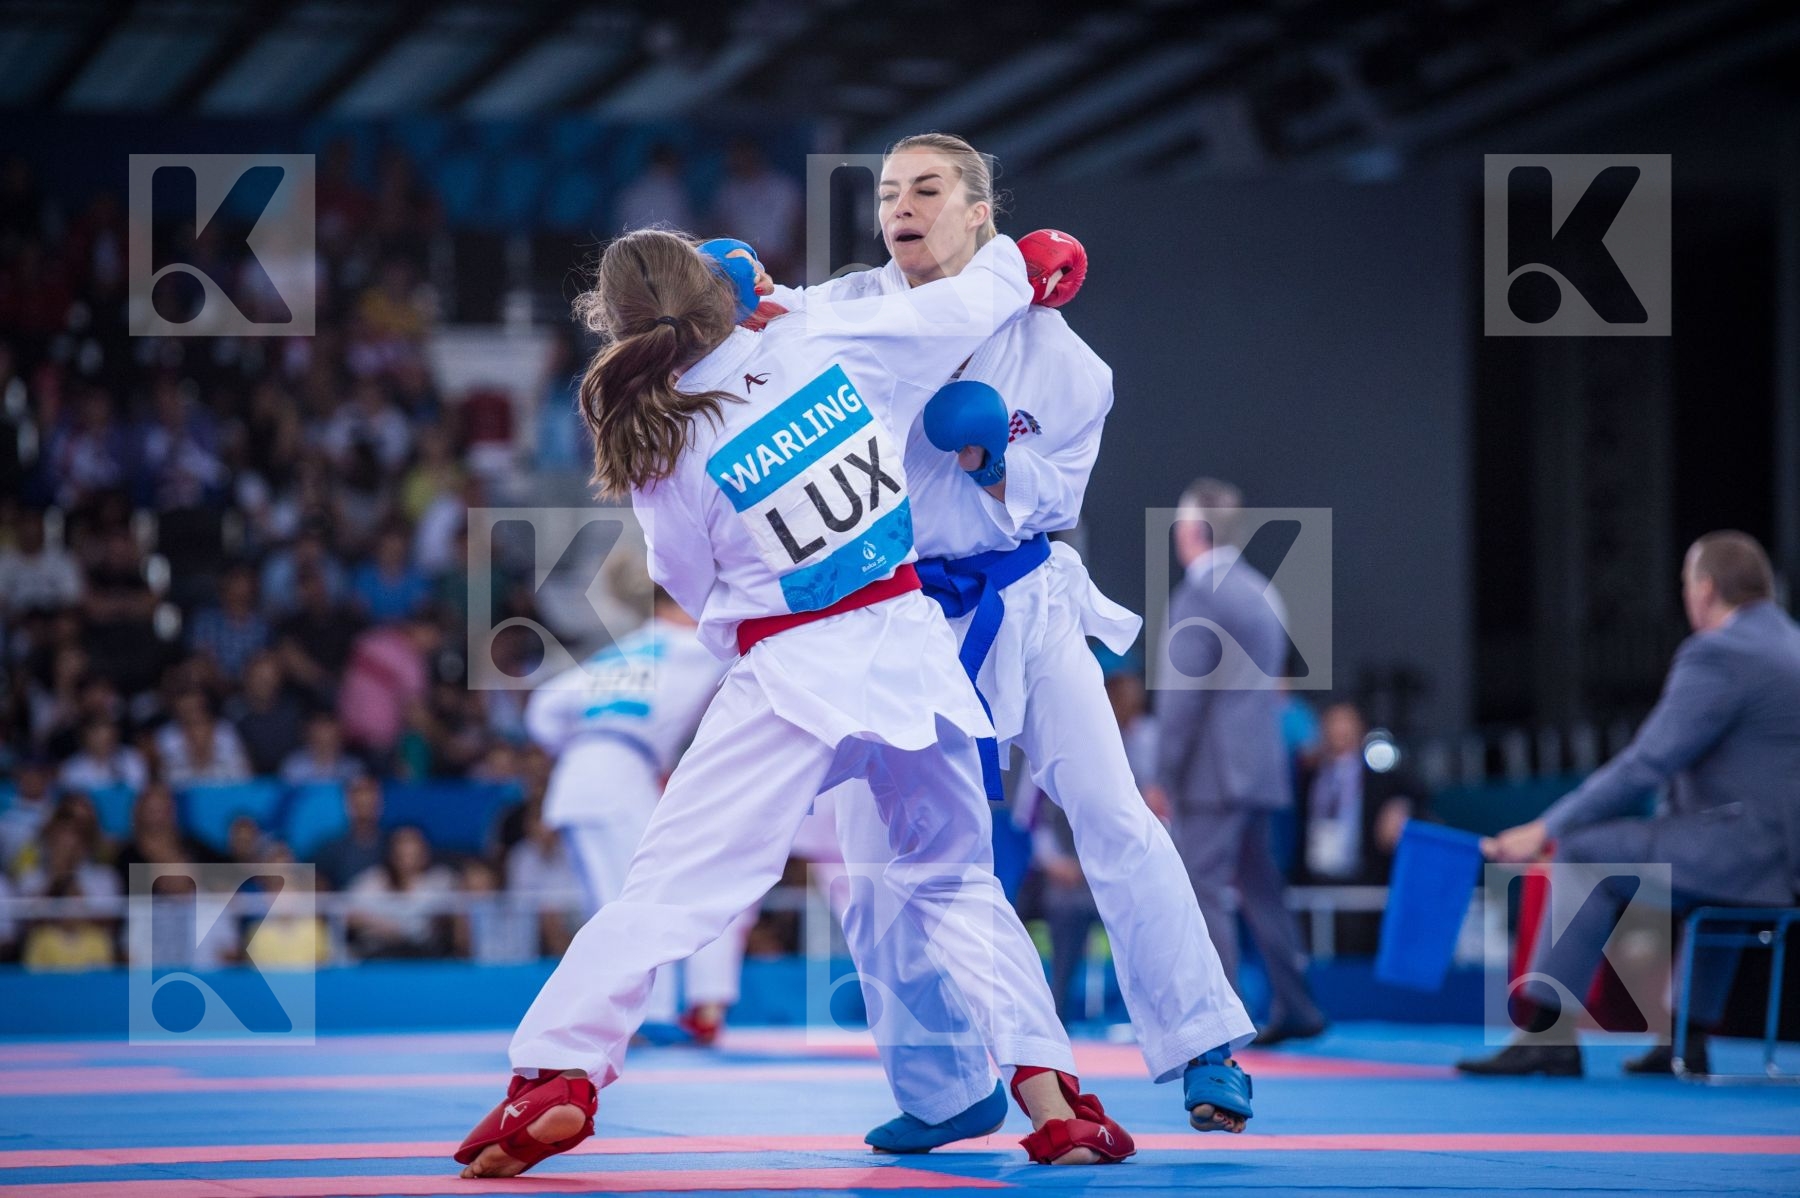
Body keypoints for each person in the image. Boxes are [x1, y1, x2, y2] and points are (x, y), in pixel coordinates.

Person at [455, 225, 1131, 1178]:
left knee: (673, 889)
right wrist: (1021, 261)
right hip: (910, 647)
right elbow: (964, 308)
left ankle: (558, 1076)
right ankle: (1054, 1103)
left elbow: (688, 586)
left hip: (789, 672)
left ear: (619, 324)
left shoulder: (662, 432)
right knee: (954, 881)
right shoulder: (821, 341)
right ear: (721, 296)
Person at [770, 134, 1254, 1147]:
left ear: (980, 212)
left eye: (928, 189)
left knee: (1113, 814)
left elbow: (1058, 499)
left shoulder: (1067, 360)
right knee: (871, 865)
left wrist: (994, 460)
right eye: (889, 191)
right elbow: (775, 324)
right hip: (895, 622)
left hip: (1025, 608)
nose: (901, 206)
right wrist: (738, 296)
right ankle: (948, 1089)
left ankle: (1204, 1038)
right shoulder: (855, 310)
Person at [1459, 531, 1800, 1078]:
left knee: (1584, 852)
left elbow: (1646, 763)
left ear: (1705, 589)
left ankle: (1548, 1034)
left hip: (1742, 855)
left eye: (1687, 584)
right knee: (1703, 868)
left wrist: (1545, 827)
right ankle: (1687, 1040)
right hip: (1780, 866)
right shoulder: (1789, 644)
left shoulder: (1720, 652)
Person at [523, 576, 742, 1042]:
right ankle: (643, 1016)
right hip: (621, 775)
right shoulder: (695, 644)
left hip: (580, 774)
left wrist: (580, 742)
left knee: (608, 899)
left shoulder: (619, 654)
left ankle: (629, 1013)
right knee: (638, 898)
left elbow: (541, 708)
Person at [1159, 478, 1328, 1047]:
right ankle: (1297, 1004)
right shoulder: (1261, 590)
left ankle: (1216, 1025)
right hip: (1259, 767)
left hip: (1213, 774)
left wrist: (1162, 774)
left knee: (1204, 891)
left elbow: (1183, 700)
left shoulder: (1200, 594)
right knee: (1262, 892)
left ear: (1191, 532)